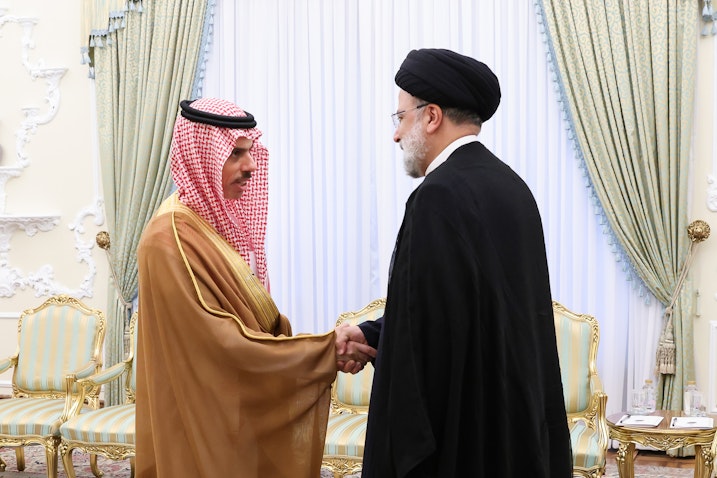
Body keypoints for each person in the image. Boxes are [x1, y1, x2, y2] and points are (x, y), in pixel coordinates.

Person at [337, 49, 573, 476]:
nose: (395, 136)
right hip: (510, 424)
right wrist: (372, 334)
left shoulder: (436, 197)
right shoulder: (513, 188)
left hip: (461, 438)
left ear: (431, 117)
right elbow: (459, 310)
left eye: (400, 117)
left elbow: (427, 337)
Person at [135, 97, 374, 478]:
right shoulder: (167, 240)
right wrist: (324, 351)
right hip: (199, 419)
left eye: (249, 152)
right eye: (235, 154)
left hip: (234, 409)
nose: (250, 166)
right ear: (201, 158)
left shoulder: (209, 225)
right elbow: (222, 345)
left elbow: (252, 323)